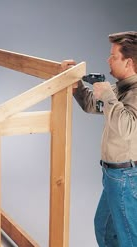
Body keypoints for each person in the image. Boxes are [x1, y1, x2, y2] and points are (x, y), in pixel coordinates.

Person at [62, 31, 137, 247]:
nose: (108, 59)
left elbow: (128, 127)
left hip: (126, 176)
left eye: (113, 56)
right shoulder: (119, 89)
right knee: (105, 230)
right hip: (113, 175)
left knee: (129, 238)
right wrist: (75, 82)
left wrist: (108, 96)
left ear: (129, 62)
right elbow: (90, 104)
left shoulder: (132, 93)